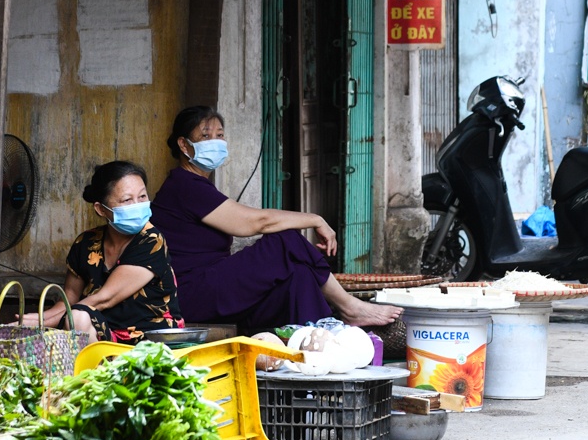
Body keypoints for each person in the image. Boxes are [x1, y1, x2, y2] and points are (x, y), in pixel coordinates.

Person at [151, 106, 399, 334]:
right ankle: (349, 307)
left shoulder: (197, 184)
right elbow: (255, 223)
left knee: (298, 276)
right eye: (206, 136)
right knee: (286, 241)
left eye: (220, 134)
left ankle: (320, 342)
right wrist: (314, 219)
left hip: (214, 286)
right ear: (184, 145)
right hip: (192, 293)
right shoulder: (184, 186)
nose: (215, 142)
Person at [42, 161, 181, 343]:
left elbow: (103, 299)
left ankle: (97, 369)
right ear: (101, 209)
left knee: (76, 317)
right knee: (75, 317)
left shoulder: (151, 240)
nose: (137, 205)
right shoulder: (86, 243)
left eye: (142, 197)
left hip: (151, 339)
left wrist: (44, 323)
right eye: (127, 200)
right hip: (104, 332)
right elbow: (69, 299)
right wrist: (34, 318)